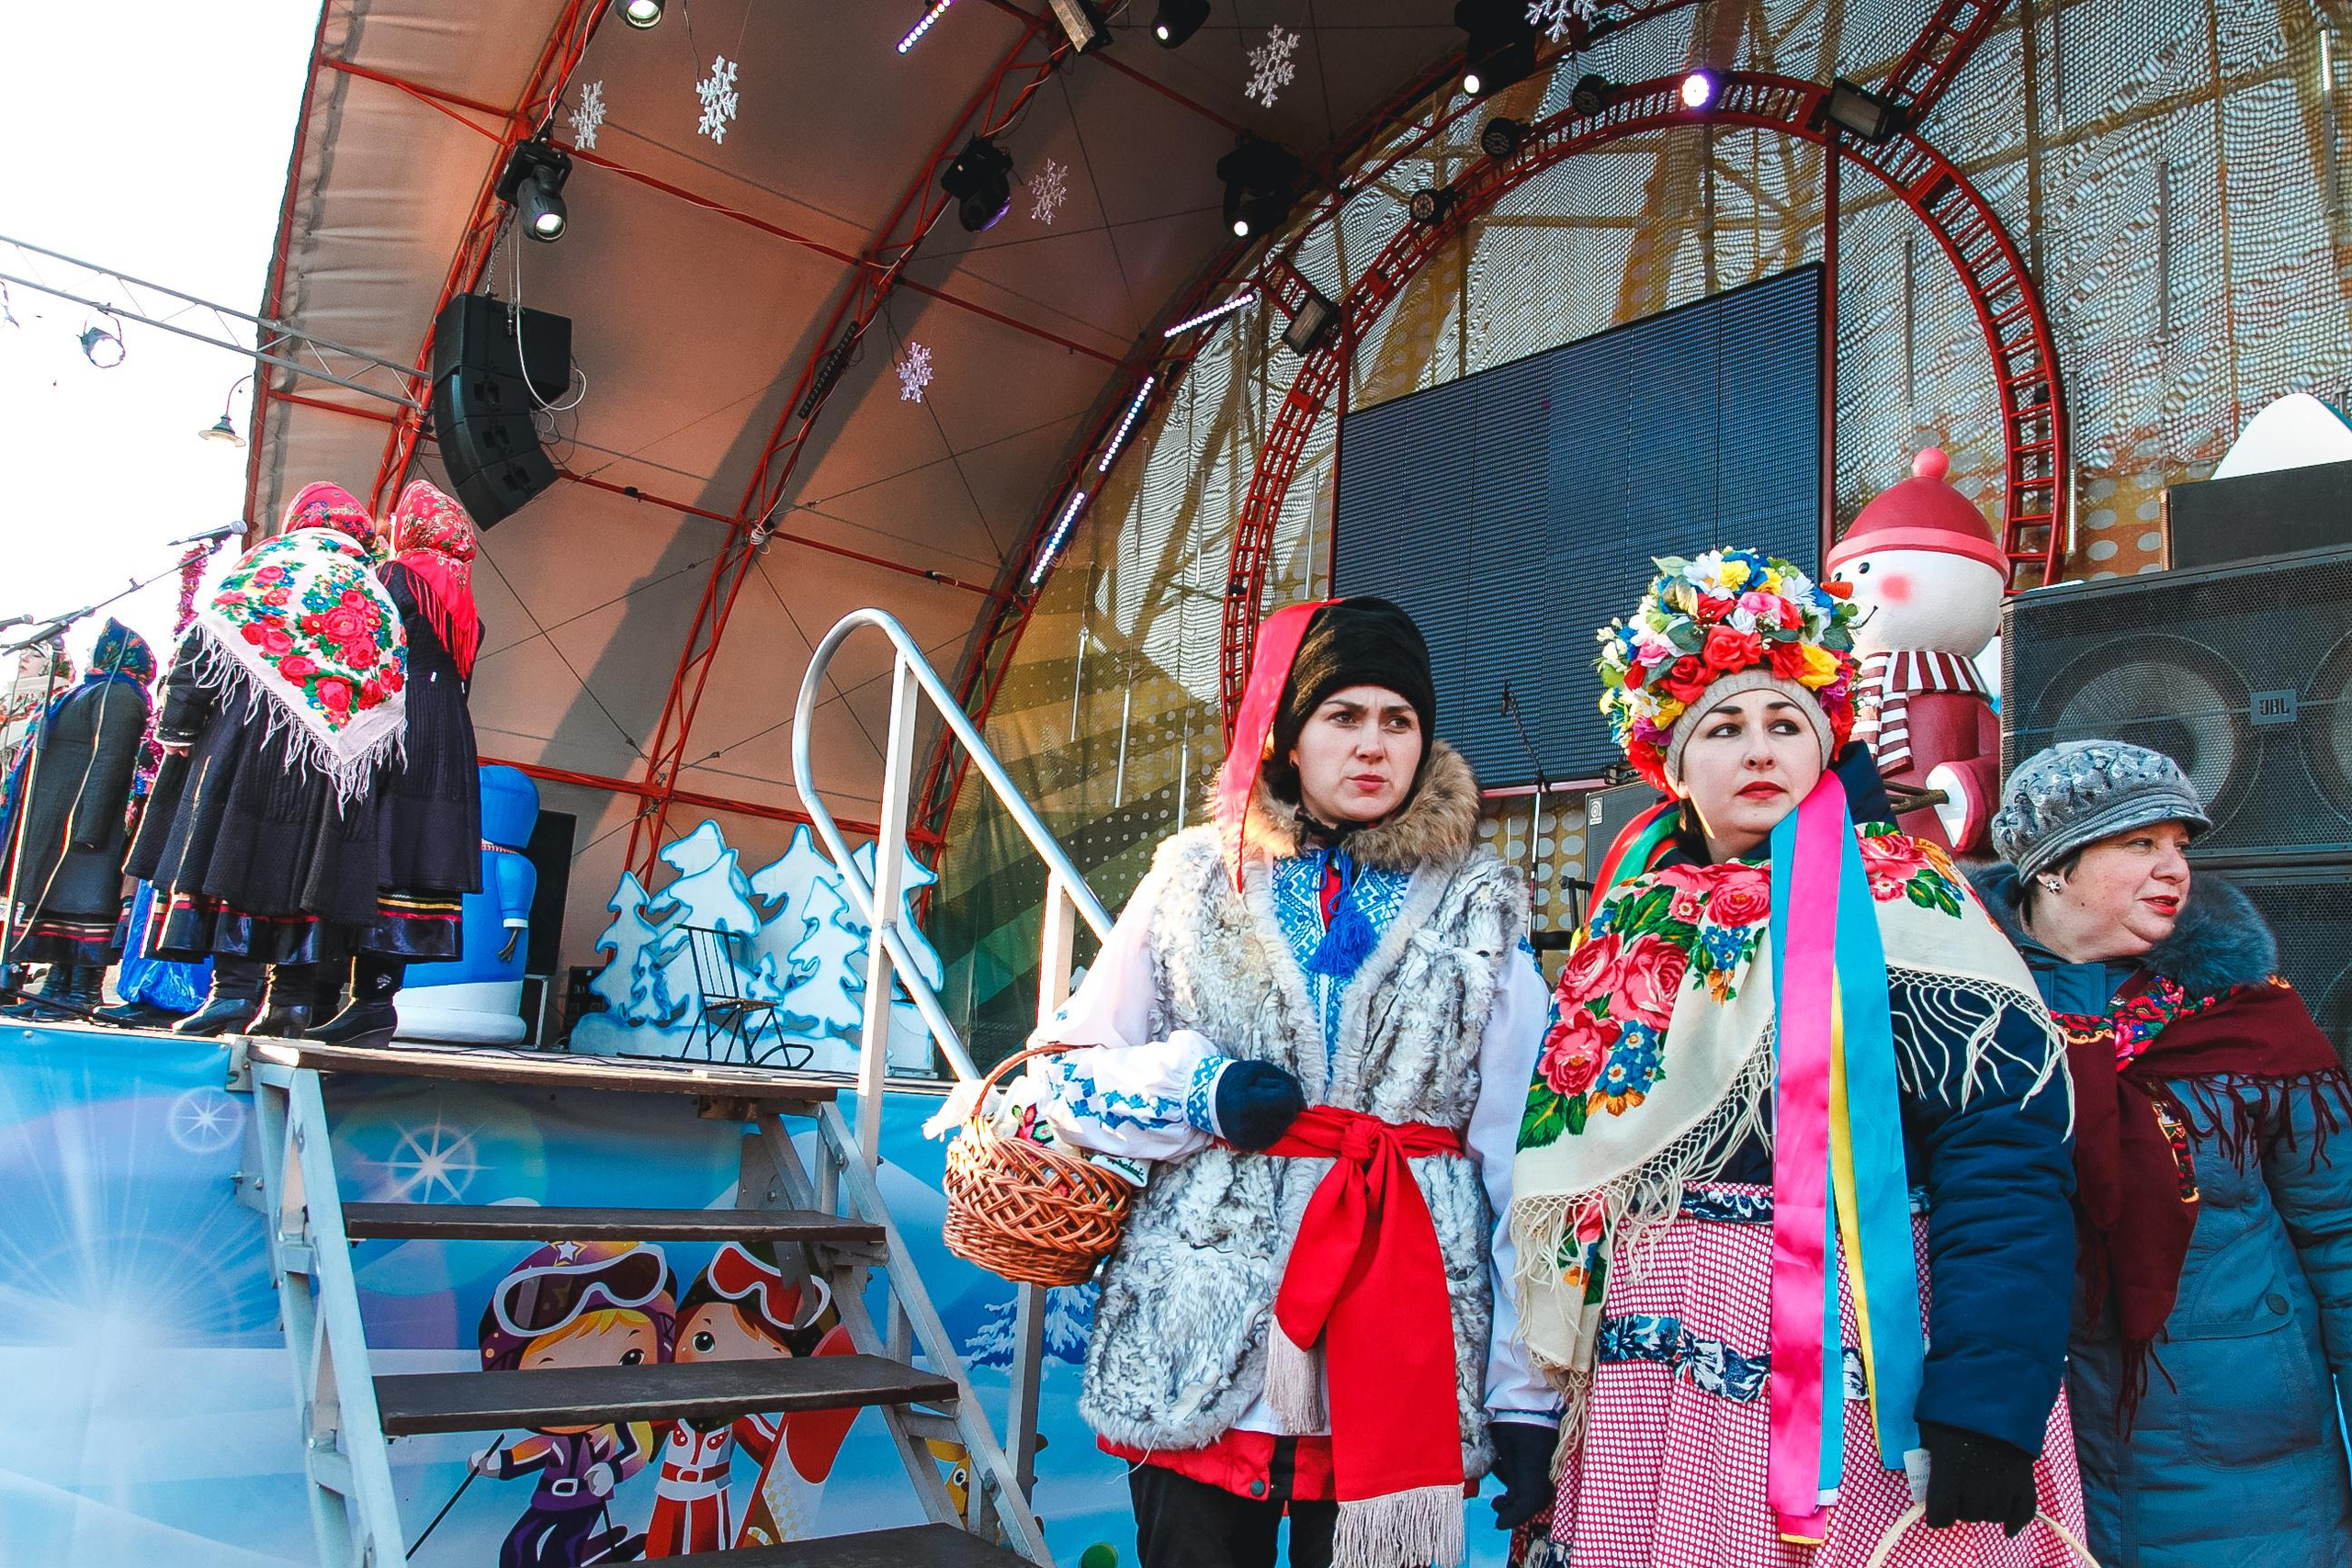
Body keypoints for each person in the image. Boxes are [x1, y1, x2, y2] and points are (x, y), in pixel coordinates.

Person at [1509, 549, 2082, 1567]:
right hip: (1665, 1366)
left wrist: (1988, 1394)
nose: (1759, 749)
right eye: (1723, 729)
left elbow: (2003, 1152)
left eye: (1786, 724)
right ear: (1671, 765)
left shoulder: (1912, 904)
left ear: (1826, 748)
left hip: (1867, 1367)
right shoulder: (1631, 926)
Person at [1023, 596, 1557, 1568]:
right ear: (1288, 737)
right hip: (1202, 1320)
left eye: (1397, 721)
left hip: (1398, 1324)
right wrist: (1198, 1094)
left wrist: (1524, 1393)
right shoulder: (1192, 880)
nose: (1372, 745)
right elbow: (1064, 1076)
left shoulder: (1481, 903)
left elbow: (1523, 1152)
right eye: (1342, 717)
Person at [1973, 740, 2352, 1568]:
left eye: (2181, 843)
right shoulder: (1967, 1016)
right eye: (2138, 843)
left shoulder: (2252, 1018)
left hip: (2250, 1459)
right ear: (2053, 868)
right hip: (2031, 1450)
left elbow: (2341, 1231)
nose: (2173, 867)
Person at [128, 480, 408, 1035]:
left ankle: (232, 995)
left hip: (249, 743)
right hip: (333, 766)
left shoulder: (274, 562)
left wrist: (180, 726)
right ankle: (291, 1006)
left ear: (302, 521)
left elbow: (205, 644)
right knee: (308, 875)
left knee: (238, 860)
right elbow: (390, 690)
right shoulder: (374, 593)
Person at [309, 479, 485, 1045]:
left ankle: (319, 995)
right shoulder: (461, 595)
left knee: (369, 848)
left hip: (397, 720)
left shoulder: (392, 578)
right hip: (448, 730)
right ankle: (376, 1003)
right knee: (410, 855)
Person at [0, 619, 153, 1019]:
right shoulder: (90, 690)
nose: (89, 654)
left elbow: (113, 760)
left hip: (86, 825)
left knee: (84, 903)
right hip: (59, 821)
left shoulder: (120, 695)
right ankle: (55, 989)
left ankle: (80, 994)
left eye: (96, 648)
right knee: (56, 903)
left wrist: (91, 824)